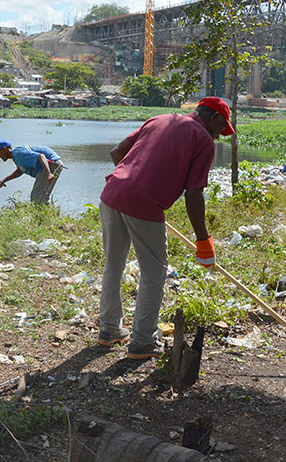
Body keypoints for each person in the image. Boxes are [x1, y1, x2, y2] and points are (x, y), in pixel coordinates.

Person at [96, 97, 235, 359]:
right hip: (142, 202)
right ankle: (143, 342)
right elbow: (194, 195)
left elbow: (117, 153)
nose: (219, 136)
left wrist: (133, 185)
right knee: (154, 273)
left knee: (113, 265)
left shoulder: (160, 119)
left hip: (112, 193)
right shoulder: (203, 139)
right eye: (221, 129)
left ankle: (109, 329)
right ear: (213, 118)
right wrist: (203, 241)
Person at [0, 140, 64, 205]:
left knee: (37, 196)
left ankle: (43, 218)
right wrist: (3, 181)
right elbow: (20, 171)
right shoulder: (16, 156)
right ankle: (50, 216)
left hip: (51, 164)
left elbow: (41, 156)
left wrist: (48, 173)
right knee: (40, 196)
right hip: (50, 165)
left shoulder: (18, 153)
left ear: (4, 149)